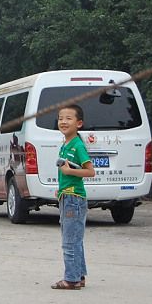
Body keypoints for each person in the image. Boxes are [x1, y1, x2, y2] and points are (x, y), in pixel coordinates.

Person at [50, 104, 95, 290]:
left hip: (73, 199)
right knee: (75, 239)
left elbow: (90, 171)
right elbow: (67, 173)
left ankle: (71, 279)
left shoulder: (77, 145)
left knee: (70, 242)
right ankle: (79, 276)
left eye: (68, 118)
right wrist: (60, 187)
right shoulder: (65, 144)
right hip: (66, 196)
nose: (63, 122)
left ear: (79, 123)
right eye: (61, 118)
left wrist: (68, 171)